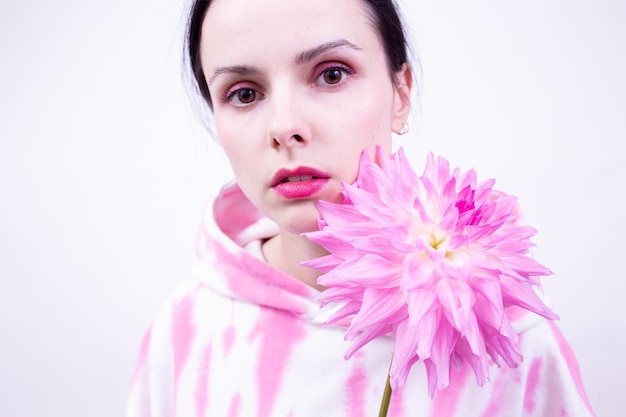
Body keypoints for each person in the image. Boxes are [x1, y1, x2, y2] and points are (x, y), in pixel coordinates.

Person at [127, 0, 596, 415]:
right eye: (244, 94)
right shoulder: (186, 333)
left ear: (401, 92)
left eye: (332, 74)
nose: (285, 126)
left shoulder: (504, 334)